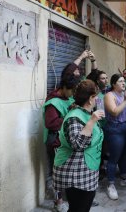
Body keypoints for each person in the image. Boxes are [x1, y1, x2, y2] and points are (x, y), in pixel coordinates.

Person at [52, 80, 105, 212]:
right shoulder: (74, 118)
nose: (97, 99)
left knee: (82, 207)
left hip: (86, 170)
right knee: (79, 208)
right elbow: (77, 144)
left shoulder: (85, 113)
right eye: (95, 96)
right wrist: (92, 121)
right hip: (75, 173)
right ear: (90, 98)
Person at [43, 74, 80, 212]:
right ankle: (58, 202)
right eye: (71, 90)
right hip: (55, 141)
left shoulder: (68, 97)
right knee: (57, 172)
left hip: (66, 140)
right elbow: (50, 123)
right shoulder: (52, 103)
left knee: (69, 171)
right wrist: (69, 116)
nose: (73, 94)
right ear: (64, 87)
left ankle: (73, 199)